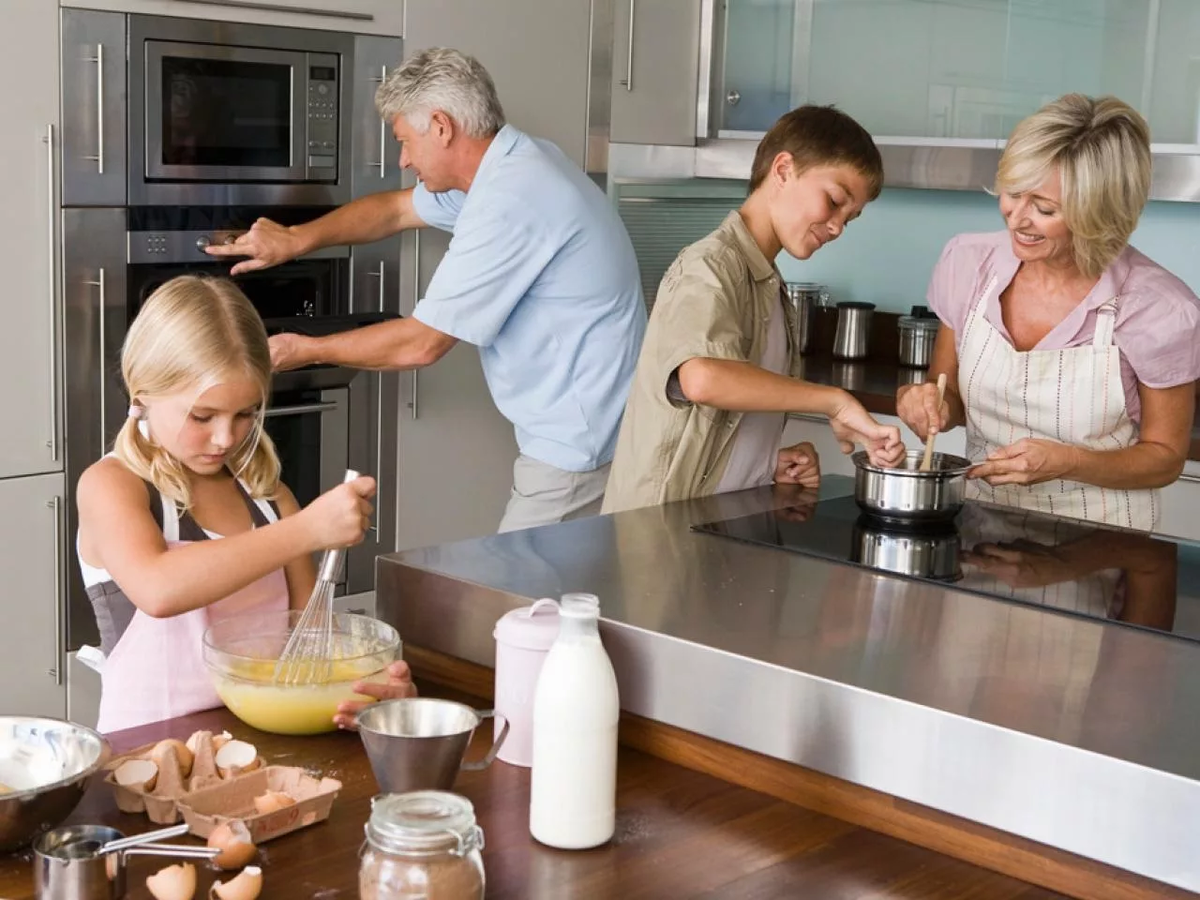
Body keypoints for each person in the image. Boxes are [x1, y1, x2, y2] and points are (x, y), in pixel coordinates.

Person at [203, 48, 646, 533]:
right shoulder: (518, 163)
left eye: (404, 141)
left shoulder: (511, 200)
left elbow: (421, 343)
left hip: (577, 443)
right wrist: (295, 239)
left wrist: (304, 350)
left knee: (517, 596)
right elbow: (393, 211)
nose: (403, 158)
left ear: (441, 126)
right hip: (601, 423)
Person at [73, 275, 397, 733]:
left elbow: (310, 643)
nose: (225, 438)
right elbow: (158, 589)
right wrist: (306, 530)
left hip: (264, 742)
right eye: (202, 417)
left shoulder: (266, 496)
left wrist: (372, 692)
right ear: (141, 393)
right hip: (149, 755)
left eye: (245, 413)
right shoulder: (113, 485)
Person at [897, 94, 1200, 530]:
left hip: (1100, 539)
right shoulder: (968, 263)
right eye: (1012, 193)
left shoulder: (1160, 308)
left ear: (1099, 212)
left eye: (1044, 208)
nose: (1016, 218)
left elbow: (1165, 459)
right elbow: (948, 394)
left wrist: (1069, 462)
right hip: (981, 522)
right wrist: (926, 402)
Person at [601, 105, 904, 515]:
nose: (837, 227)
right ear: (782, 170)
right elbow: (703, 378)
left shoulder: (769, 285)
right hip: (659, 534)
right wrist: (833, 401)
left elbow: (720, 421)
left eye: (849, 219)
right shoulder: (709, 265)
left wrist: (764, 465)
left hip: (714, 528)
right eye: (834, 201)